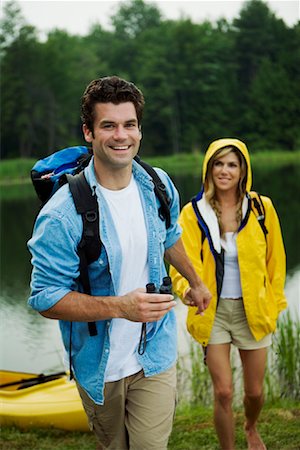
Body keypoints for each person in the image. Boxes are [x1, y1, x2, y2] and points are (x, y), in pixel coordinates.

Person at [27, 76, 211, 450]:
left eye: (129, 124)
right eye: (108, 125)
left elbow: (169, 234)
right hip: (100, 365)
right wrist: (120, 307)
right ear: (89, 132)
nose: (120, 135)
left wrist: (196, 280)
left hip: (154, 351)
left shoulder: (158, 184)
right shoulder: (61, 215)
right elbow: (45, 298)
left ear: (139, 130)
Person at [170, 138, 287, 450]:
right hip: (214, 314)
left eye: (232, 164)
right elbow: (181, 264)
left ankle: (250, 426)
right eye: (218, 164)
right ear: (209, 169)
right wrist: (186, 291)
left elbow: (277, 263)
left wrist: (274, 304)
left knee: (255, 393)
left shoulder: (262, 209)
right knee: (223, 392)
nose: (224, 170)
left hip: (254, 312)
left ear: (243, 170)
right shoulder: (192, 213)